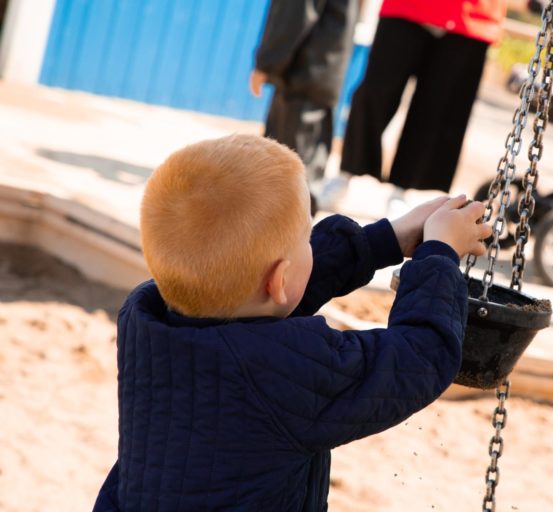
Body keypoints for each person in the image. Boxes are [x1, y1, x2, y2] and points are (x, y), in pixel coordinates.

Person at [92, 134, 491, 511]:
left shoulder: (146, 318)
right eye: (306, 238)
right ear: (278, 279)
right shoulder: (285, 371)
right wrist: (439, 255)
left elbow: (263, 289)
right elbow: (419, 358)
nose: (310, 246)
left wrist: (384, 240)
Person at [329, 0, 507, 206]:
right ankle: (347, 172)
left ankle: (403, 191)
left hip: (472, 14)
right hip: (408, 6)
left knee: (438, 109)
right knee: (375, 92)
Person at [250, 0, 357, 188]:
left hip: (303, 77)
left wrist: (266, 63)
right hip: (320, 75)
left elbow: (294, 13)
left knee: (287, 180)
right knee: (301, 180)